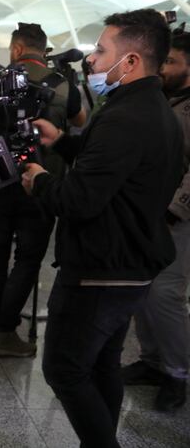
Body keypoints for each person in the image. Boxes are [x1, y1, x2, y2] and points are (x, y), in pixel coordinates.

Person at [22, 9, 183, 447]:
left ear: (130, 61)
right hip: (130, 263)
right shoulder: (152, 110)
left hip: (100, 269)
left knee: (64, 369)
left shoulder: (125, 118)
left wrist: (40, 180)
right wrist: (66, 141)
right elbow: (116, 171)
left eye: (102, 50)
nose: (91, 60)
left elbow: (79, 200)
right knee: (102, 364)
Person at [0, 22, 82, 358]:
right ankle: (5, 330)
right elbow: (79, 120)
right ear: (43, 49)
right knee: (28, 257)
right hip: (40, 183)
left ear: (18, 50)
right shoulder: (63, 83)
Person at [122, 30, 190, 412]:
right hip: (146, 214)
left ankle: (177, 374)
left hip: (176, 218)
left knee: (166, 295)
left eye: (173, 62)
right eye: (163, 61)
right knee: (141, 291)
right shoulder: (163, 101)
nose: (164, 69)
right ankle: (150, 361)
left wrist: (173, 211)